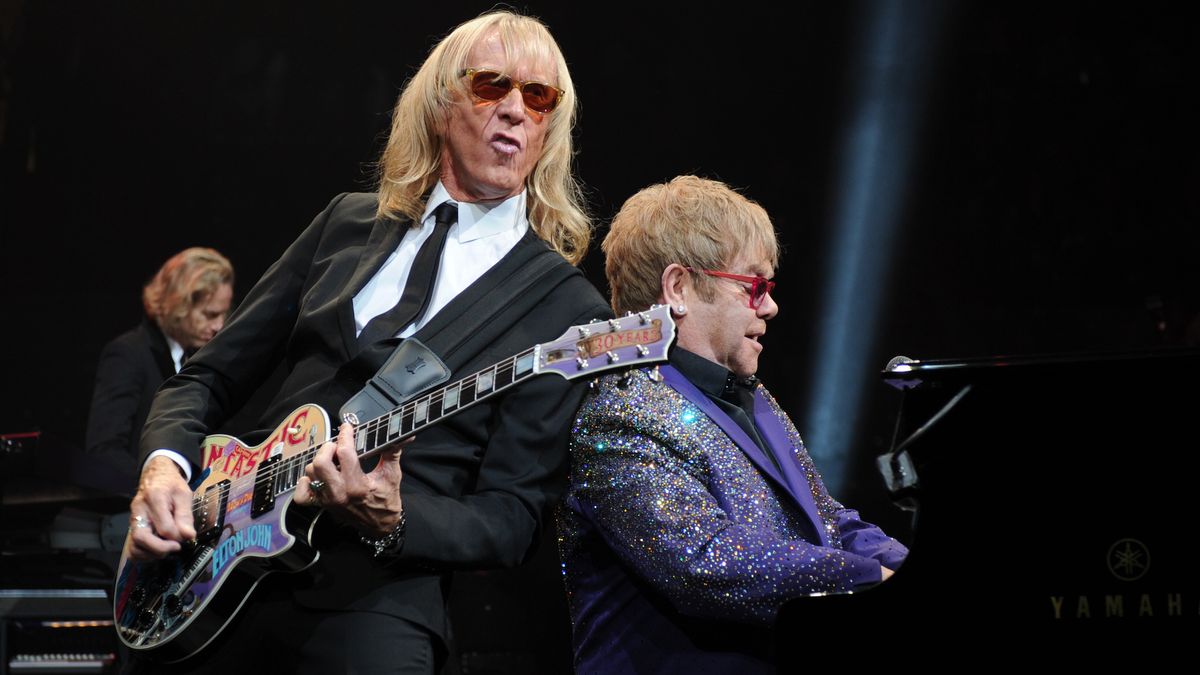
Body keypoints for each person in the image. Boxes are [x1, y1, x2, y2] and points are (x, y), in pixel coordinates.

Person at [125, 10, 610, 673]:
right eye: (491, 85)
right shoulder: (347, 223)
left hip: (377, 599)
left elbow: (510, 516)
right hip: (220, 562)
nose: (514, 111)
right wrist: (165, 467)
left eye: (538, 95)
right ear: (442, 104)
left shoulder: (563, 305)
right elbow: (205, 377)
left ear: (551, 125)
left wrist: (395, 516)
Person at [558, 176, 908, 673]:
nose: (770, 305)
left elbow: (826, 520)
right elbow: (704, 561)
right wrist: (872, 579)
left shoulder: (755, 399)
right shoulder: (620, 412)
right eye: (755, 286)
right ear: (679, 287)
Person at [85, 247, 233, 494]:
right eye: (210, 315)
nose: (219, 325)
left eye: (223, 314)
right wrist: (162, 491)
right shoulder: (128, 353)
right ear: (179, 304)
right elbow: (105, 451)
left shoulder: (201, 356)